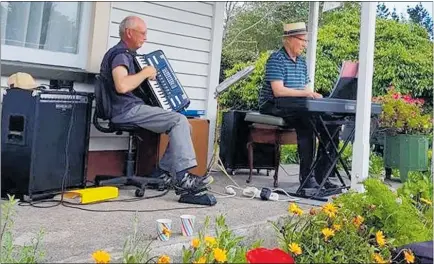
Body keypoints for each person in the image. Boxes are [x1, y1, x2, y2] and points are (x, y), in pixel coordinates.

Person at [99, 15, 213, 193]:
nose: (145, 37)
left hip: (129, 108)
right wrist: (144, 73)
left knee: (184, 124)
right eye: (142, 33)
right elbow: (122, 86)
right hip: (125, 110)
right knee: (178, 120)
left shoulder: (129, 56)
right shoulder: (119, 55)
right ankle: (183, 178)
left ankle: (162, 173)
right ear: (129, 33)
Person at [258, 22, 340, 190]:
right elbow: (278, 91)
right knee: (307, 122)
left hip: (295, 105)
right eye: (302, 40)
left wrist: (313, 95)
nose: (305, 44)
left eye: (306, 41)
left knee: (331, 124)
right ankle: (307, 178)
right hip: (273, 104)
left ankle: (321, 176)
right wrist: (306, 94)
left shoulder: (302, 62)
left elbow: (304, 89)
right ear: (289, 39)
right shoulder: (276, 59)